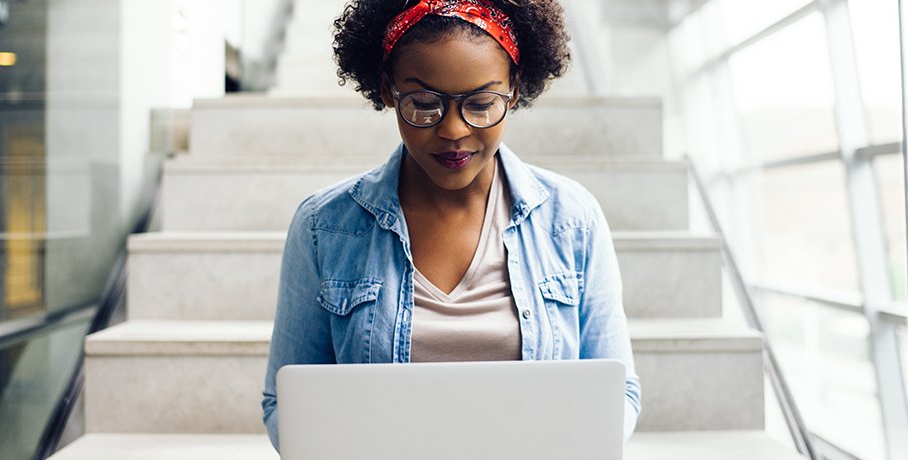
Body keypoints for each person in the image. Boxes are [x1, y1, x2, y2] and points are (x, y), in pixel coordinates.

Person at [262, 0, 640, 452]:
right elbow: (286, 405)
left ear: (515, 90)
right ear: (387, 90)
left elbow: (618, 392)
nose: (454, 131)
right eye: (424, 104)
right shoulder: (324, 227)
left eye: (481, 104)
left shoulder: (572, 219)